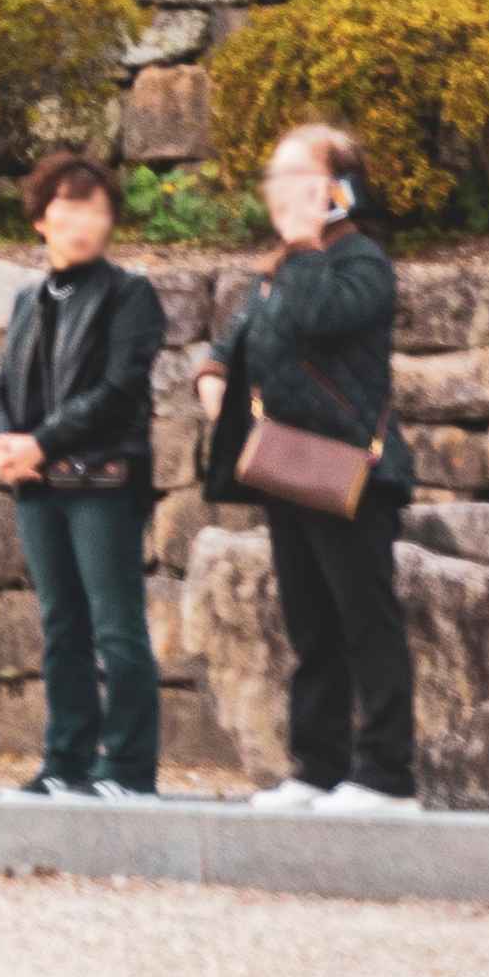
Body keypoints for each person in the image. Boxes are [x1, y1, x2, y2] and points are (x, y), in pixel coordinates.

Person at [205, 118, 418, 813]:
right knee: (310, 625)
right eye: (275, 176)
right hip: (287, 468)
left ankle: (387, 775)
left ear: (337, 189)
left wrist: (301, 246)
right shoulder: (283, 268)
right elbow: (237, 338)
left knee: (366, 621)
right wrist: (212, 372)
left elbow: (322, 316)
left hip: (352, 472)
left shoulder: (361, 262)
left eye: (295, 175)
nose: (278, 189)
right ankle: (318, 767)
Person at [0, 146, 167, 800]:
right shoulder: (29, 299)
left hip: (104, 482)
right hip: (39, 485)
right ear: (41, 219)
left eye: (96, 209)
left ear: (111, 220)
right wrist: (3, 441)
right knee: (61, 627)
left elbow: (118, 391)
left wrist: (39, 443)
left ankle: (130, 770)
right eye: (68, 209)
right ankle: (65, 763)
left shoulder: (130, 294)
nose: (82, 222)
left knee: (116, 626)